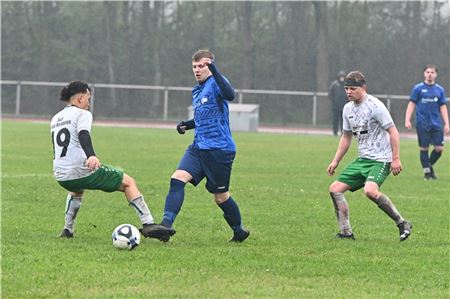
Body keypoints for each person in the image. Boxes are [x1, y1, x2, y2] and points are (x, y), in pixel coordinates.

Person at [51, 81, 175, 241]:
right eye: (88, 99)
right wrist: (91, 155)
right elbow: (83, 134)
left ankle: (67, 230)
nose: (89, 103)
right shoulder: (83, 114)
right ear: (80, 98)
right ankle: (148, 224)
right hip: (80, 170)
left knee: (76, 190)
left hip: (61, 175)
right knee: (128, 182)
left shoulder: (56, 117)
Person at [159, 49, 249, 242]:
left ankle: (239, 231)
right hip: (198, 148)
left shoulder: (217, 82)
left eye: (202, 66)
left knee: (221, 197)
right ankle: (165, 227)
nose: (197, 70)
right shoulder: (197, 90)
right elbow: (203, 116)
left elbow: (230, 95)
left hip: (219, 150)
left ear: (210, 66)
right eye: (194, 66)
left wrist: (215, 71)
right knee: (177, 179)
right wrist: (187, 124)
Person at [326, 71, 412, 241]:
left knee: (370, 191)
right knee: (335, 189)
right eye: (347, 89)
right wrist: (335, 161)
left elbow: (393, 131)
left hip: (381, 160)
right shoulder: (347, 109)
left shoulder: (375, 106)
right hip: (363, 159)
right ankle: (345, 232)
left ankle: (402, 223)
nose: (349, 92)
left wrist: (395, 158)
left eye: (352, 88)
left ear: (363, 88)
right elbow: (346, 137)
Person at [405, 65, 449, 180]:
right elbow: (411, 104)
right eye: (428, 72)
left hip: (436, 124)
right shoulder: (418, 89)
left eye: (432, 72)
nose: (430, 74)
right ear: (424, 73)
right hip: (422, 123)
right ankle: (427, 173)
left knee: (439, 148)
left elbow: (443, 107)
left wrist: (447, 123)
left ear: (436, 74)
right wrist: (407, 119)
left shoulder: (440, 90)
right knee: (424, 149)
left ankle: (428, 166)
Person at [328, 71, 348, 136]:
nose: (342, 78)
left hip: (344, 107)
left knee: (343, 121)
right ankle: (335, 132)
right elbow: (330, 94)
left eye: (343, 77)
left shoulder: (347, 85)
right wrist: (334, 101)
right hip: (336, 107)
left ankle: (343, 133)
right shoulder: (334, 85)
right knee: (335, 120)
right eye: (340, 77)